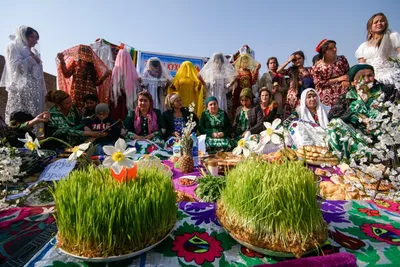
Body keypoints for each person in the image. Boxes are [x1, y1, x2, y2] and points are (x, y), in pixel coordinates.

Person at [328, 64, 393, 159]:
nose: (366, 80)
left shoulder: (386, 92)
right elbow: (332, 114)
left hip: (385, 138)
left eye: (370, 76)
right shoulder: (346, 97)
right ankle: (343, 162)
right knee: (334, 124)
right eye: (361, 77)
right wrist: (359, 118)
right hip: (360, 140)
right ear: (353, 82)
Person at [0, 26, 46, 126]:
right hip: (21, 90)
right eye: (32, 37)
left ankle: (36, 139)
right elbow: (15, 67)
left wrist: (42, 90)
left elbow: (39, 75)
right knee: (19, 116)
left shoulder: (35, 52)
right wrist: (30, 59)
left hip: (35, 91)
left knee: (36, 118)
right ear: (23, 36)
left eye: (36, 38)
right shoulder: (13, 47)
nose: (35, 41)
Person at [57, 45, 112, 111]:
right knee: (76, 112)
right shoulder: (75, 63)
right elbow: (66, 74)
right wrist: (62, 61)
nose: (84, 53)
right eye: (82, 51)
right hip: (77, 93)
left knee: (90, 112)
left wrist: (105, 76)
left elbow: (96, 83)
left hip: (90, 95)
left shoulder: (94, 66)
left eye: (86, 51)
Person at [355, 13, 400, 90]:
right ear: (370, 27)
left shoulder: (392, 36)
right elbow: (361, 67)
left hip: (391, 78)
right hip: (372, 81)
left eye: (382, 21)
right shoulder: (363, 46)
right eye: (376, 22)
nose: (379, 23)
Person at [312, 39, 350, 106]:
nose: (335, 49)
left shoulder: (342, 59)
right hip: (326, 98)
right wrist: (338, 79)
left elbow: (348, 71)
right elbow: (318, 83)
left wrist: (346, 79)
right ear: (324, 52)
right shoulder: (317, 67)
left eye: (335, 47)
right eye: (331, 49)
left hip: (343, 94)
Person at [277, 51, 313, 118]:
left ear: (303, 58)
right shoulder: (291, 70)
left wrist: (303, 82)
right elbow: (278, 70)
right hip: (292, 98)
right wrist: (288, 61)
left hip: (305, 96)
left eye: (299, 58)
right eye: (295, 60)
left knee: (303, 117)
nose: (297, 61)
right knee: (291, 118)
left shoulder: (309, 70)